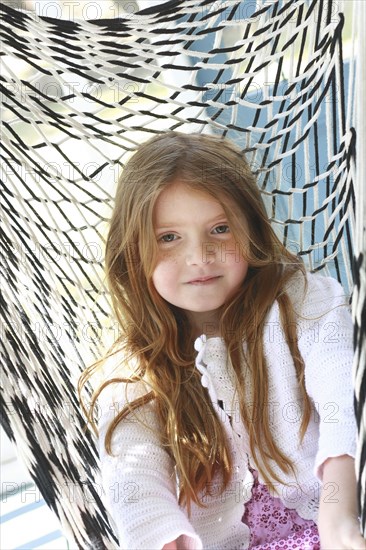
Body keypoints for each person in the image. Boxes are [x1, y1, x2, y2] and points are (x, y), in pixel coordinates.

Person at [80, 132, 365, 549]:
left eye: (219, 228)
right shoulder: (133, 376)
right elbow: (135, 481)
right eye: (169, 237)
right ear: (135, 250)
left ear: (249, 228)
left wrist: (339, 518)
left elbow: (343, 392)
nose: (200, 256)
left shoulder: (299, 301)